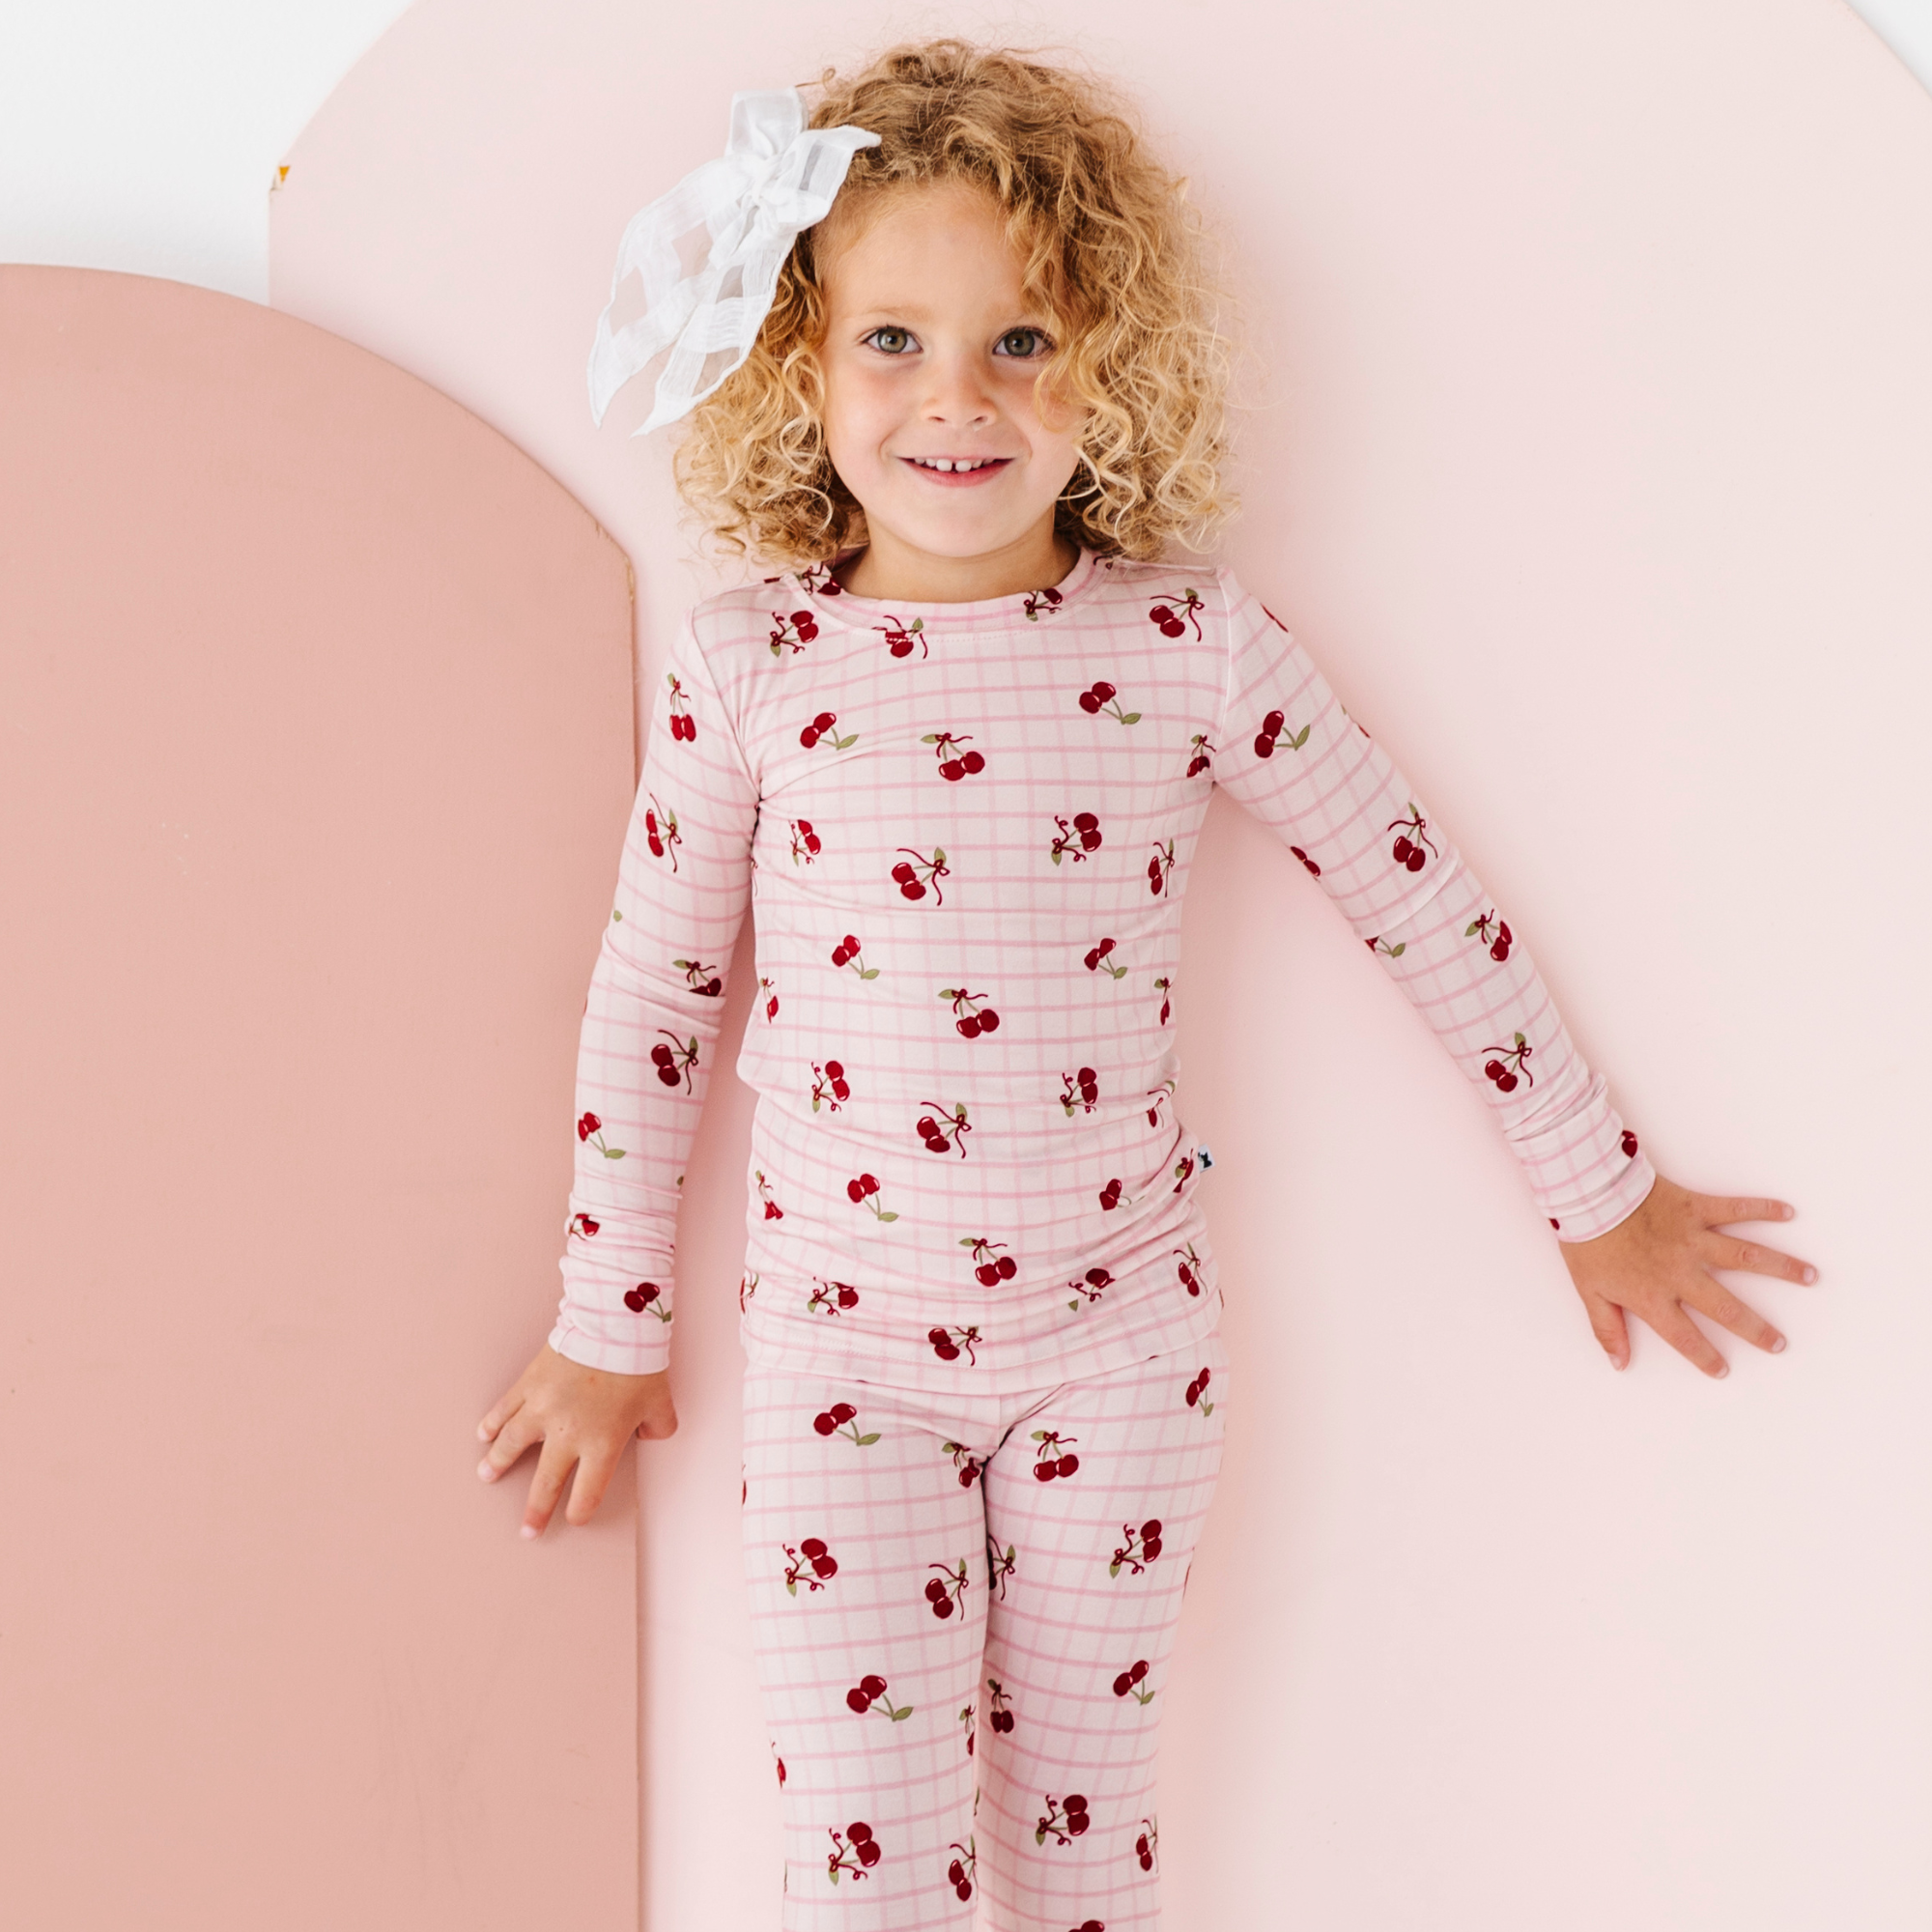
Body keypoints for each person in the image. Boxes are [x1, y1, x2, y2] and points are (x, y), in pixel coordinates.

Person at [475, 39, 1814, 1930]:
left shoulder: (1189, 642)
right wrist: (608, 1323)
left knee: (1083, 1855)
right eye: (892, 341)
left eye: (1021, 340)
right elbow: (656, 995)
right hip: (843, 1363)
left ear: (1106, 362)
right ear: (801, 360)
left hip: (1119, 1351)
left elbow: (1415, 894)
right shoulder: (749, 664)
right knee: (863, 1874)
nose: (958, 397)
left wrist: (1597, 1191)